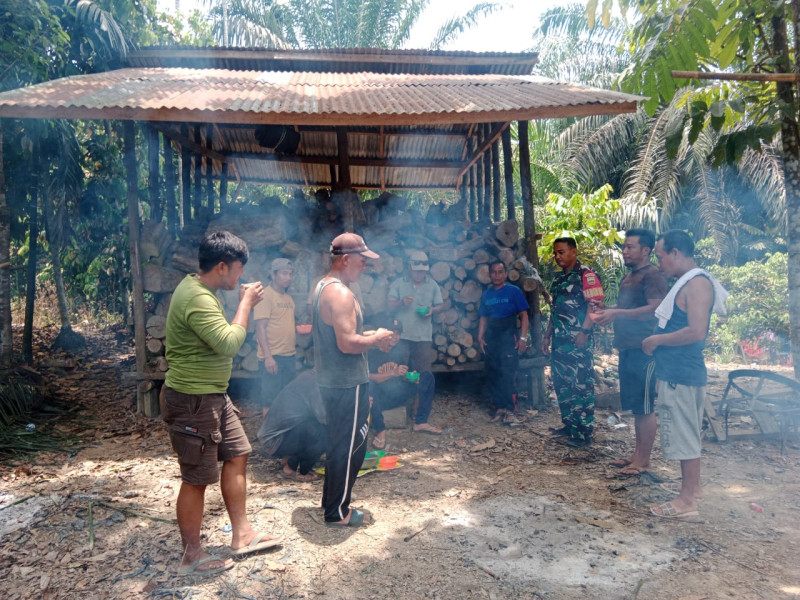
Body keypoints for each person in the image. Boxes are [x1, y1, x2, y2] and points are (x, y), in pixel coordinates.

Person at [162, 230, 281, 577]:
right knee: (197, 478)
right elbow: (228, 343)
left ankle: (242, 535)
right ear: (222, 266)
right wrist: (245, 305)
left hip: (212, 395)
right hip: (193, 400)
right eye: (238, 270)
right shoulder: (196, 297)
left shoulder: (203, 290)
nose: (241, 276)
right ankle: (192, 556)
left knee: (238, 453)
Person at [642, 230, 727, 519]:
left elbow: (696, 331)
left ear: (676, 253)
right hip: (676, 370)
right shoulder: (687, 282)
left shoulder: (698, 283)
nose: (659, 263)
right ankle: (694, 487)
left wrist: (657, 341)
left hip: (682, 372)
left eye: (661, 256)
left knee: (684, 434)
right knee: (684, 430)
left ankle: (687, 500)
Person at [312, 232, 395, 527]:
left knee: (338, 443)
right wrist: (376, 338)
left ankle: (331, 501)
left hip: (331, 379)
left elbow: (340, 337)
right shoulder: (342, 294)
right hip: (347, 382)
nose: (365, 266)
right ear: (345, 259)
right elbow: (347, 343)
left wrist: (373, 336)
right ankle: (337, 513)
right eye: (362, 261)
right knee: (351, 446)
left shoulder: (323, 287)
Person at [593, 229, 668, 474]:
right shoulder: (631, 276)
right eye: (624, 247)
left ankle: (644, 461)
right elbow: (629, 308)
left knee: (645, 407)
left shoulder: (653, 276)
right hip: (628, 347)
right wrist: (609, 309)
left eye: (630, 247)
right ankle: (637, 455)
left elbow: (654, 309)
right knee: (637, 406)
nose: (624, 251)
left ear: (646, 250)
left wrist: (616, 313)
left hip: (644, 349)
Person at [542, 237, 599, 447]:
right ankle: (569, 424)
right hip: (560, 341)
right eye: (556, 253)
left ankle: (583, 433)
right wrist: (547, 335)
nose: (558, 256)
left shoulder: (587, 275)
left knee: (581, 385)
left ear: (574, 251)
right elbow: (554, 311)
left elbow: (595, 306)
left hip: (578, 341)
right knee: (562, 383)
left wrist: (585, 332)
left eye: (562, 252)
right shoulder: (558, 281)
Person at [367, 318, 442, 449]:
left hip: (396, 394)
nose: (395, 337)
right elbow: (367, 377)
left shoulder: (401, 351)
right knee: (369, 384)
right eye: (392, 333)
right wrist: (392, 373)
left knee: (427, 377)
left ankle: (421, 422)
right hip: (377, 398)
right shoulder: (371, 351)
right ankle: (380, 430)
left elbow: (406, 375)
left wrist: (411, 378)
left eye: (398, 333)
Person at [477, 261, 530, 425]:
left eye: (500, 272)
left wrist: (522, 338)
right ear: (489, 274)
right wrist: (480, 337)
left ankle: (510, 409)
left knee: (508, 372)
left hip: (508, 335)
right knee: (493, 372)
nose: (497, 276)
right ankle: (499, 408)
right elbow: (483, 318)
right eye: (494, 272)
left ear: (506, 274)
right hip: (492, 337)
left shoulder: (514, 291)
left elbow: (524, 316)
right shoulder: (487, 295)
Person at [256, 370, 327, 482]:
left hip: (276, 436)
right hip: (275, 440)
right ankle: (293, 469)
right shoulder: (314, 383)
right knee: (324, 433)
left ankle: (287, 459)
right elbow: (325, 418)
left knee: (311, 424)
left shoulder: (309, 376)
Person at [387, 250, 445, 374]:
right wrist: (402, 302)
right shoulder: (399, 283)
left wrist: (432, 310)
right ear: (409, 268)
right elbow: (390, 305)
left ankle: (423, 394)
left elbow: (440, 305)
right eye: (416, 271)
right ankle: (402, 394)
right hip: (401, 337)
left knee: (424, 372)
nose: (419, 274)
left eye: (422, 271)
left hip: (423, 336)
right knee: (399, 371)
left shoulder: (432, 285)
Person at [254, 258, 296, 417]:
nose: (288, 277)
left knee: (287, 397)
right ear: (272, 274)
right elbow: (260, 328)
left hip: (289, 355)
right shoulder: (266, 296)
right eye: (284, 273)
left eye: (290, 274)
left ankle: (281, 435)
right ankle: (267, 439)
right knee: (269, 401)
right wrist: (268, 357)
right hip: (273, 357)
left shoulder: (288, 298)